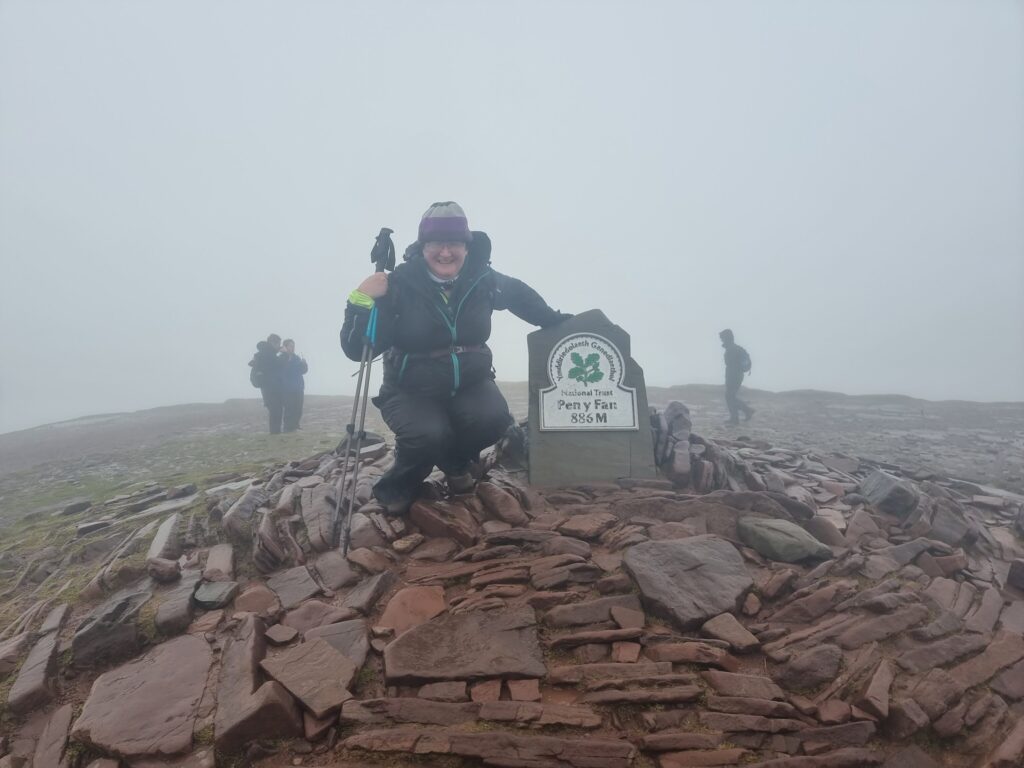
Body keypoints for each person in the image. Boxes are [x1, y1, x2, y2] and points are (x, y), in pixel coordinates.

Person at [340, 201, 570, 513]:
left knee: (494, 420)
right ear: (423, 247)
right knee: (427, 435)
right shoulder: (399, 285)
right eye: (436, 243)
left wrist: (556, 320)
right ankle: (397, 486)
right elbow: (358, 350)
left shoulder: (482, 278)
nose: (445, 252)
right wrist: (361, 299)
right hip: (410, 390)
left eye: (454, 244)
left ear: (466, 246)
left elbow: (519, 296)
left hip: (470, 383)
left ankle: (454, 463)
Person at [251, 334, 285, 434]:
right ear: (273, 343)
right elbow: (277, 364)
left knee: (276, 411)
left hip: (270, 387)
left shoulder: (266, 352)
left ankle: (275, 434)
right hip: (270, 388)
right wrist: (285, 354)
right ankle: (275, 434)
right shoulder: (267, 353)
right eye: (278, 343)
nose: (279, 346)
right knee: (276, 411)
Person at [719, 328, 754, 426]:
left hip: (734, 376)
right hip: (735, 376)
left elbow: (732, 365)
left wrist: (731, 376)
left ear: (727, 338)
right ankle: (741, 415)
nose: (721, 340)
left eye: (722, 338)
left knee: (729, 396)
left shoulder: (732, 349)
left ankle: (741, 414)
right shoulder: (734, 348)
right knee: (730, 397)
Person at [280, 339, 308, 432]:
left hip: (299, 387)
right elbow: (285, 370)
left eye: (293, 346)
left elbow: (303, 371)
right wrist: (287, 359)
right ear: (285, 347)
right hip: (287, 388)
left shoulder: (296, 358)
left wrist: (304, 364)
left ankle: (296, 425)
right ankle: (288, 427)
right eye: (291, 346)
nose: (293, 348)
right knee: (289, 408)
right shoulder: (282, 358)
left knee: (298, 408)